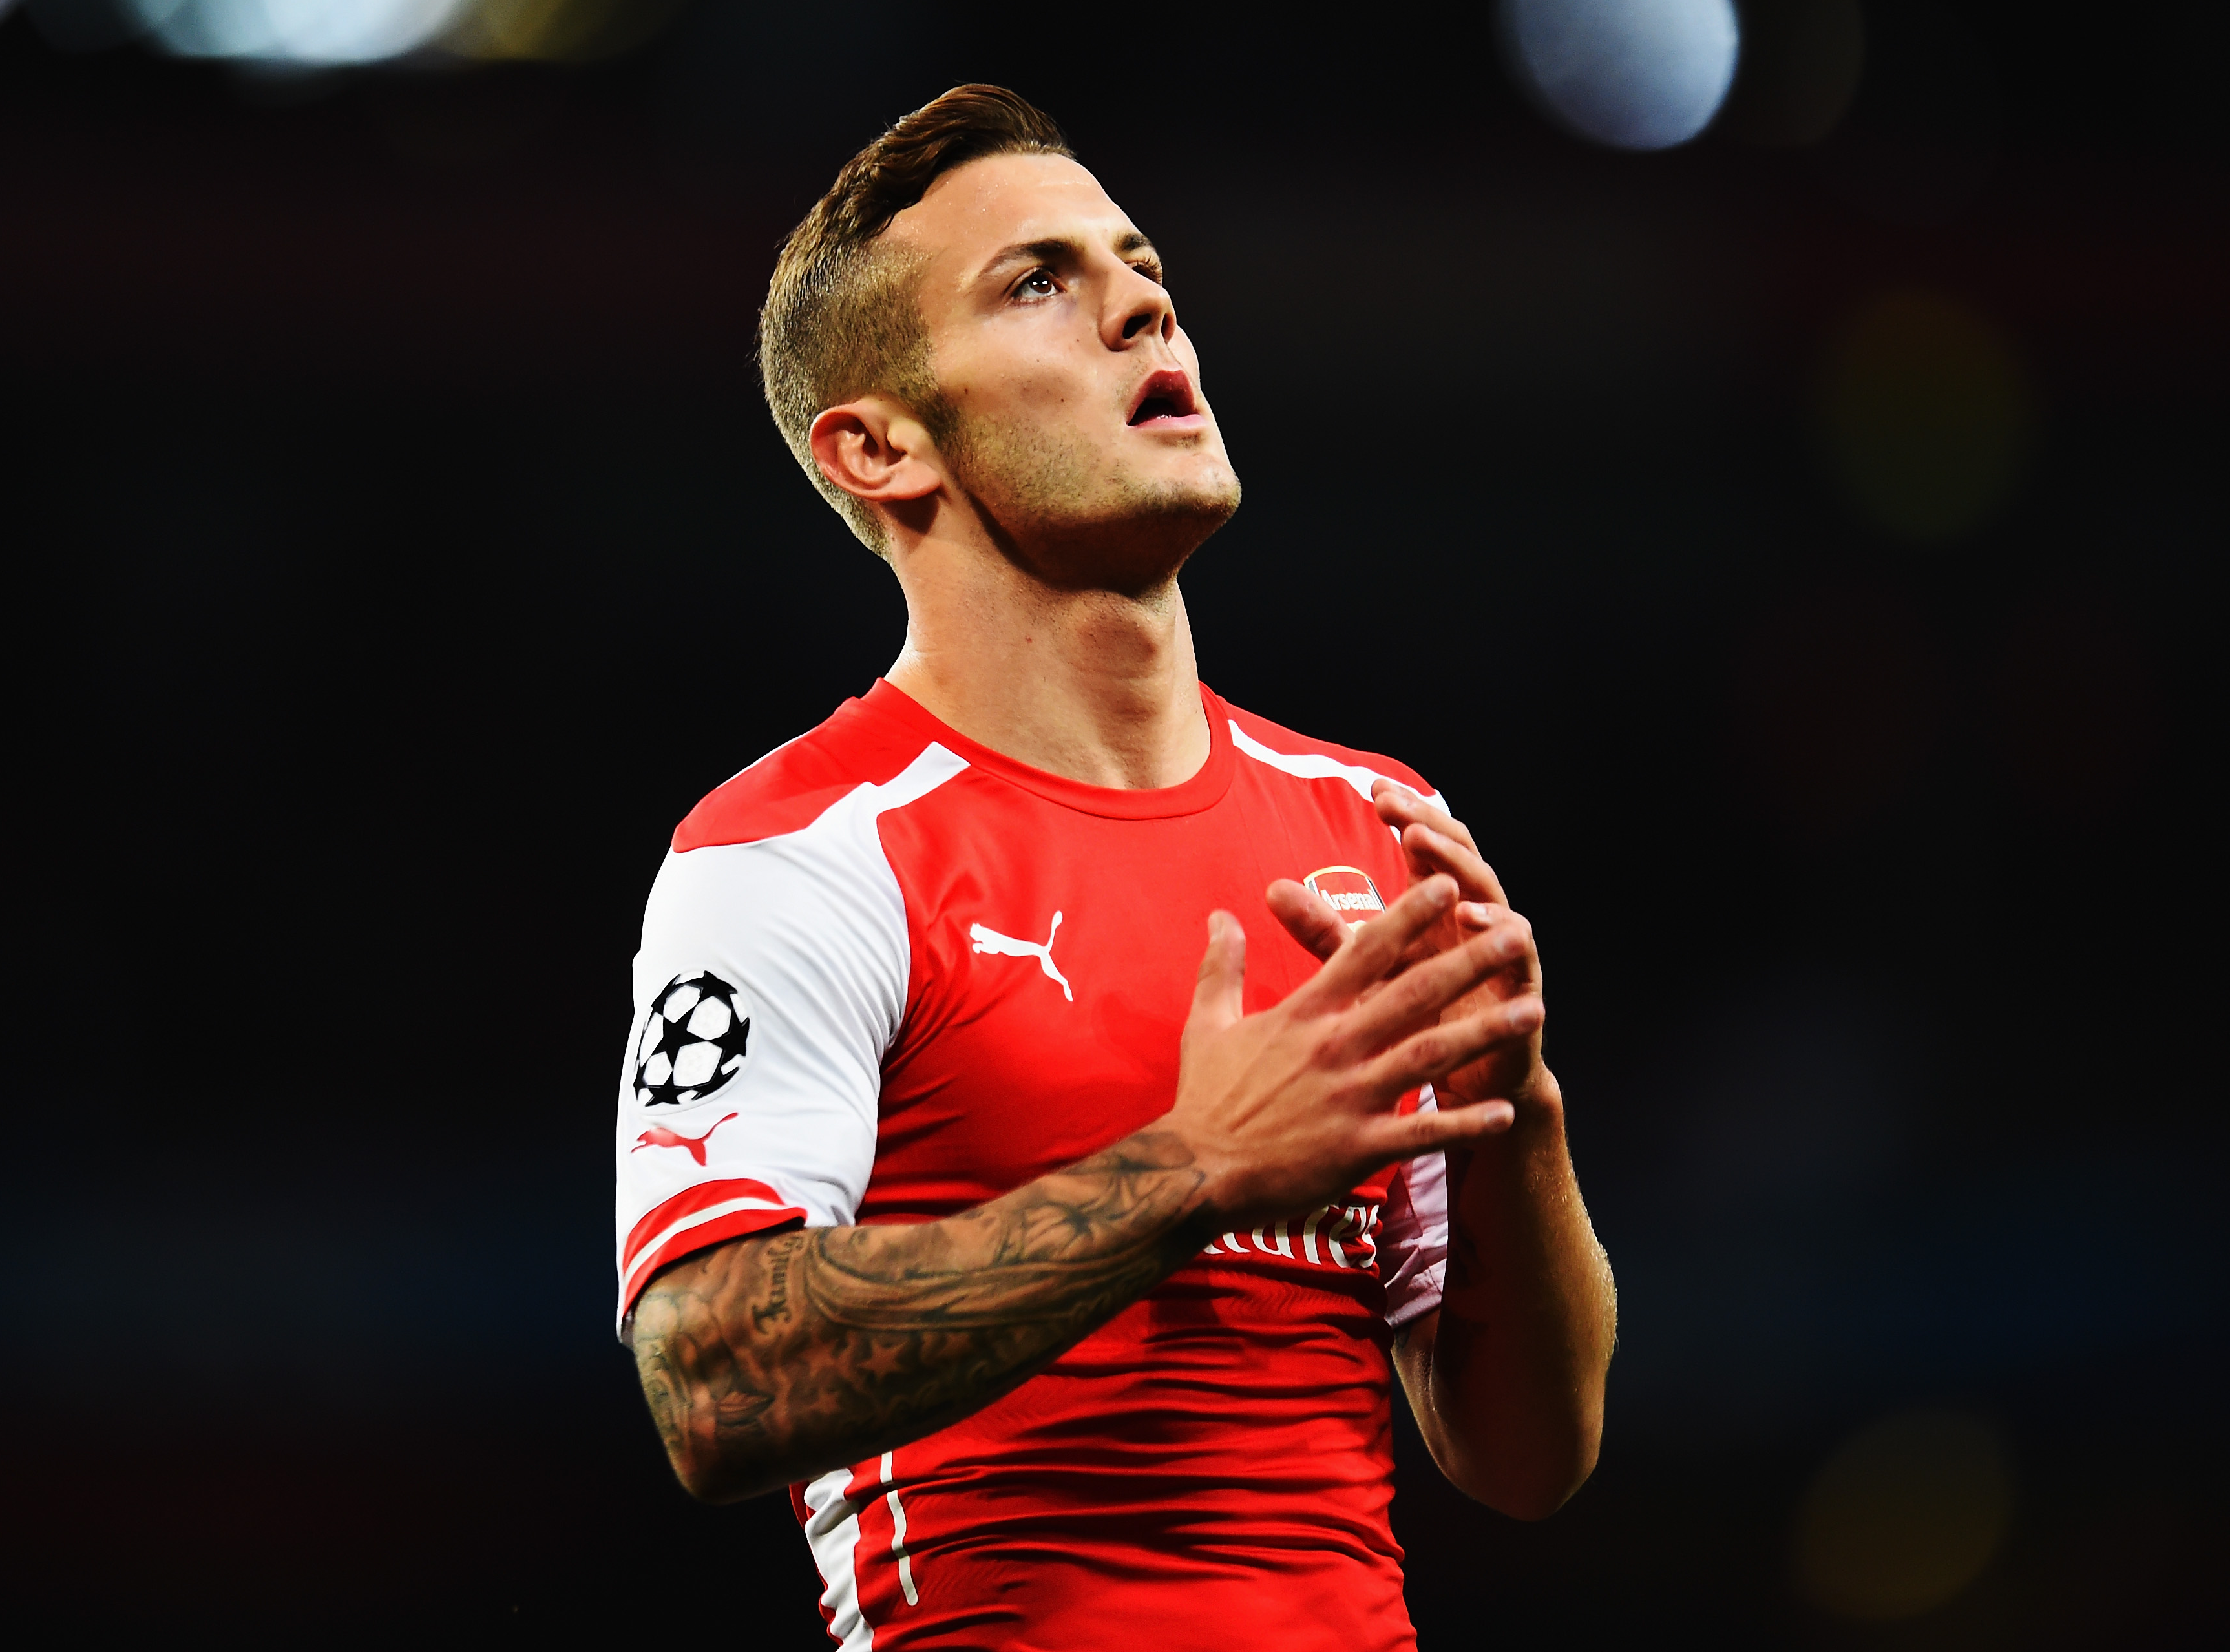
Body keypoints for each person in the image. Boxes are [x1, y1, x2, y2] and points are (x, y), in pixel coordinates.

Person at [616, 85, 1614, 1649]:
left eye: (1140, 267)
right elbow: (713, 1382)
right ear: (878, 446)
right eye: (1037, 283)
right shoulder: (798, 852)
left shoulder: (1370, 823)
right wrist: (1195, 1167)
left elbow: (1527, 1461)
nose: (1142, 306)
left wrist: (1518, 1112)